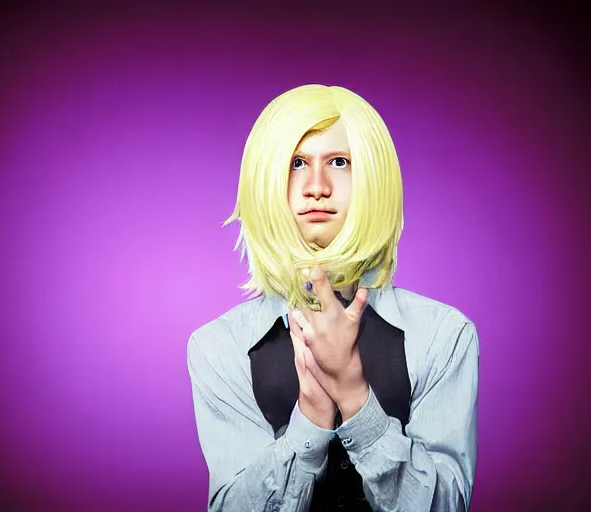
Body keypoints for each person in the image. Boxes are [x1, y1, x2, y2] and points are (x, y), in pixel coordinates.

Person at [187, 84, 479, 511]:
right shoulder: (217, 348)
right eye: (297, 163)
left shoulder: (445, 336)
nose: (316, 186)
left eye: (339, 162)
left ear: (374, 179)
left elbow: (448, 506)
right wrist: (310, 419)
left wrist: (356, 398)